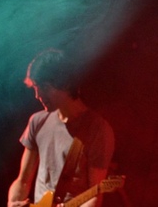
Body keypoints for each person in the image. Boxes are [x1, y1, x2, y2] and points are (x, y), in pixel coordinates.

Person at [7, 48, 115, 207]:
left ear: (64, 83)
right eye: (36, 87)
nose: (38, 95)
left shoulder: (98, 130)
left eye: (44, 87)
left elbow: (95, 195)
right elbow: (23, 181)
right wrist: (13, 202)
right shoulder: (38, 121)